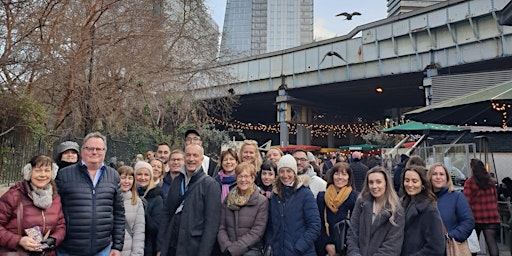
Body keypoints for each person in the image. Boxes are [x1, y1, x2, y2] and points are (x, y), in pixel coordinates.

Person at [55, 131, 125, 256]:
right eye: (90, 148)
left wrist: (117, 246)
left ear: (104, 151)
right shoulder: (64, 175)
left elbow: (118, 213)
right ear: (82, 151)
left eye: (99, 149)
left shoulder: (113, 175)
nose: (94, 152)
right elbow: (54, 211)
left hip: (102, 250)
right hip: (69, 249)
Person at [156, 144, 221, 256]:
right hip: (172, 244)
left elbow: (211, 225)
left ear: (201, 159)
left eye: (195, 155)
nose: (191, 159)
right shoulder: (177, 181)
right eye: (188, 155)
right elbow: (167, 214)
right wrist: (160, 247)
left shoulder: (210, 185)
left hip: (193, 246)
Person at [0, 155, 66, 255]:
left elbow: (61, 226)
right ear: (29, 172)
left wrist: (53, 239)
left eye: (47, 170)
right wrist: (19, 240)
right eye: (38, 170)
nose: (43, 175)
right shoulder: (13, 196)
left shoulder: (55, 198)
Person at [266, 154, 320, 256]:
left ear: (294, 172)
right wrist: (271, 244)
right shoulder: (275, 196)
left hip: (301, 252)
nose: (285, 175)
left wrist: (299, 247)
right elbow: (271, 226)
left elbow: (315, 226)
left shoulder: (305, 194)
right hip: (279, 251)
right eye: (282, 171)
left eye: (289, 171)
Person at [346, 166, 404, 256]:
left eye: (378, 182)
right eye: (371, 182)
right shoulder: (361, 203)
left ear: (386, 183)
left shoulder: (397, 210)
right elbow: (352, 233)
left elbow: (392, 246)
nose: (374, 186)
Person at [217, 162, 269, 256]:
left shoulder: (261, 201)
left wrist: (234, 249)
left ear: (252, 178)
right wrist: (226, 247)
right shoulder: (228, 199)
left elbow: (257, 232)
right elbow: (222, 227)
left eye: (246, 176)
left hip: (251, 251)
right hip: (227, 251)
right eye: (240, 176)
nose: (243, 180)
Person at [401, 165, 445, 256]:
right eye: (407, 180)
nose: (410, 185)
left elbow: (436, 247)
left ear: (423, 184)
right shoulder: (402, 205)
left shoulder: (429, 210)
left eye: (414, 181)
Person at [316, 162, 359, 256]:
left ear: (349, 177)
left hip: (347, 248)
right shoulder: (321, 197)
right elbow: (318, 223)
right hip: (326, 249)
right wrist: (327, 244)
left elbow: (356, 227)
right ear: (332, 176)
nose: (340, 177)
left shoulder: (355, 198)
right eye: (337, 173)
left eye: (344, 174)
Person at [428, 163, 474, 245]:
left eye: (441, 174)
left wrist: (449, 237)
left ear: (447, 178)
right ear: (429, 177)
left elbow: (467, 222)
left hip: (449, 247)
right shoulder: (424, 198)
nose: (438, 177)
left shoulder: (457, 197)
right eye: (434, 174)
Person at [463, 158, 500, 256]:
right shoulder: (491, 182)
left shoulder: (470, 182)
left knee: (473, 244)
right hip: (491, 217)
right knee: (492, 243)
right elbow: (495, 198)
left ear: (472, 169)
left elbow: (466, 201)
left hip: (476, 217)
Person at [134, 161, 163, 256]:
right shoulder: (126, 196)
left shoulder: (157, 198)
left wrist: (142, 210)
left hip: (148, 248)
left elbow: (156, 227)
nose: (143, 178)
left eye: (146, 175)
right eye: (139, 174)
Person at [117, 165, 145, 256]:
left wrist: (137, 253)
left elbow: (139, 231)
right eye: (123, 178)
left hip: (129, 251)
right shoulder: (108, 199)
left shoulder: (137, 201)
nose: (126, 181)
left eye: (130, 178)